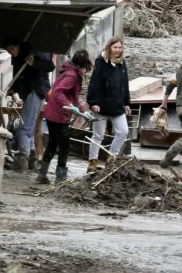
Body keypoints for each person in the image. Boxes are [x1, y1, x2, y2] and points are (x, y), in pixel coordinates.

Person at [36, 50, 92, 184]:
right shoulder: (72, 76)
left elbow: (73, 96)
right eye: (85, 68)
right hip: (59, 114)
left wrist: (82, 111)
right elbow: (59, 92)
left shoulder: (68, 70)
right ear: (81, 66)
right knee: (64, 145)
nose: (85, 71)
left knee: (52, 143)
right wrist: (69, 106)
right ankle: (60, 177)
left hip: (52, 112)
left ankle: (42, 174)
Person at [4, 37, 54, 172]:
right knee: (29, 128)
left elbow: (50, 66)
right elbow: (17, 73)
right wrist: (13, 88)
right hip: (27, 93)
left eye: (13, 49)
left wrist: (34, 62)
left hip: (36, 91)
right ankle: (31, 158)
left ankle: (22, 160)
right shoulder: (18, 57)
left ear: (19, 45)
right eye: (8, 51)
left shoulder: (35, 51)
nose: (11, 52)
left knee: (23, 128)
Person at [86, 37, 132, 171]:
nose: (117, 50)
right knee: (98, 135)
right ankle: (92, 161)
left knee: (123, 131)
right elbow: (94, 83)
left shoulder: (121, 63)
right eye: (115, 47)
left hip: (117, 106)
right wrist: (93, 102)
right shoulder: (101, 62)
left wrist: (126, 103)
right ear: (109, 48)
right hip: (100, 106)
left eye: (120, 48)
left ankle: (112, 157)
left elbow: (124, 84)